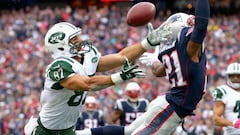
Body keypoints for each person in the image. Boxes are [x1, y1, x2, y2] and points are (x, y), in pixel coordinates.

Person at [76, 0, 210, 134]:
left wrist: (154, 62)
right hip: (174, 106)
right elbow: (202, 25)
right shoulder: (190, 48)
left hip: (166, 102)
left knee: (128, 131)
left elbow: (159, 71)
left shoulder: (169, 49)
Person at [24, 16, 172, 135]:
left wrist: (147, 43)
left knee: (126, 131)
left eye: (78, 37)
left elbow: (121, 57)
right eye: (74, 40)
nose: (80, 41)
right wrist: (119, 77)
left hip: (68, 129)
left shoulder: (86, 57)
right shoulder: (59, 66)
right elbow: (88, 84)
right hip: (46, 132)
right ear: (61, 46)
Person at [212, 62, 240, 135]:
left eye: (238, 76)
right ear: (228, 77)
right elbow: (216, 119)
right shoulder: (224, 92)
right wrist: (232, 123)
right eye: (233, 76)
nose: (236, 78)